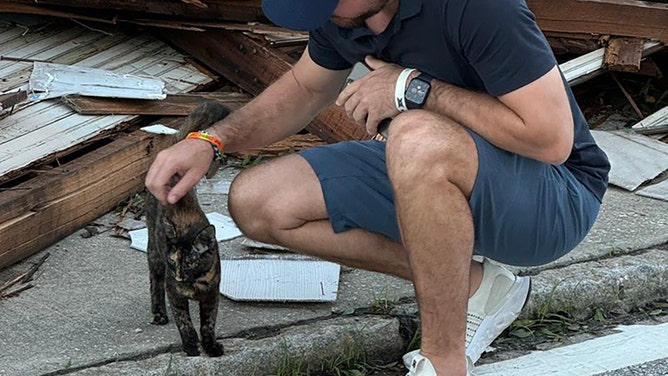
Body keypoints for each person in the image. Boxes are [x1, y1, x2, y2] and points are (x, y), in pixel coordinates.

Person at [145, 0, 610, 374]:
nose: (322, 15)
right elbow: (306, 90)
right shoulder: (345, 14)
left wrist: (415, 87)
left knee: (413, 136)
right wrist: (211, 140)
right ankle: (478, 287)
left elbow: (551, 139)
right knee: (259, 201)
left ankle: (444, 364)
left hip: (554, 197)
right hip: (436, 169)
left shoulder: (479, 7)